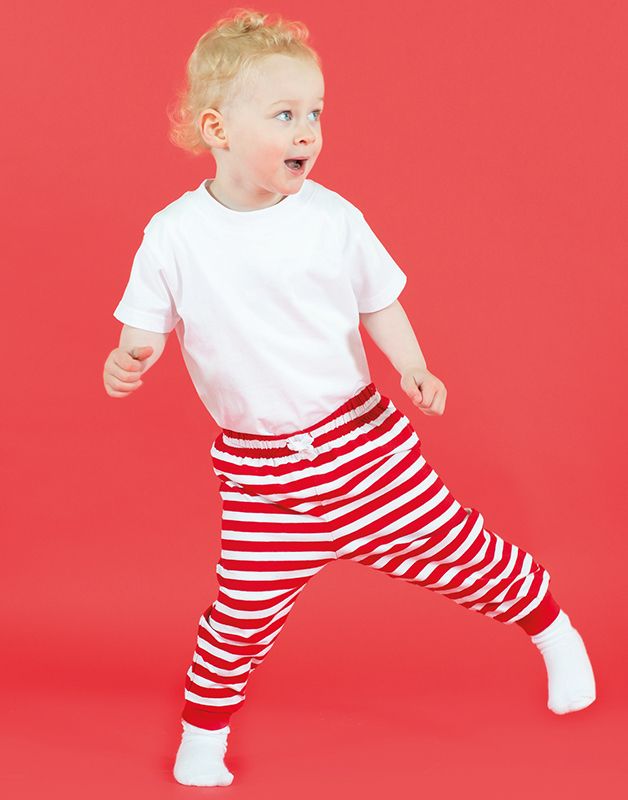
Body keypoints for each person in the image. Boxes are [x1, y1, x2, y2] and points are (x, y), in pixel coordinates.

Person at [103, 8, 596, 788]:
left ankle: (553, 629)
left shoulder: (332, 219)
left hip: (361, 448)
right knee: (239, 613)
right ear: (217, 129)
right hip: (262, 475)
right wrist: (129, 356)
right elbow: (145, 324)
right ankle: (203, 736)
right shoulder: (175, 234)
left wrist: (413, 365)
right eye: (285, 115)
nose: (308, 131)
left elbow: (379, 300)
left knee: (461, 553)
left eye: (316, 114)